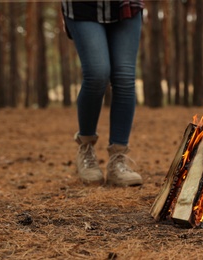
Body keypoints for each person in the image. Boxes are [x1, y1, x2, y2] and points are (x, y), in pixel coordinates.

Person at [61, 0, 144, 186]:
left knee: (124, 78)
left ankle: (118, 160)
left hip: (125, 5)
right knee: (97, 74)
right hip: (82, 6)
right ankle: (86, 149)